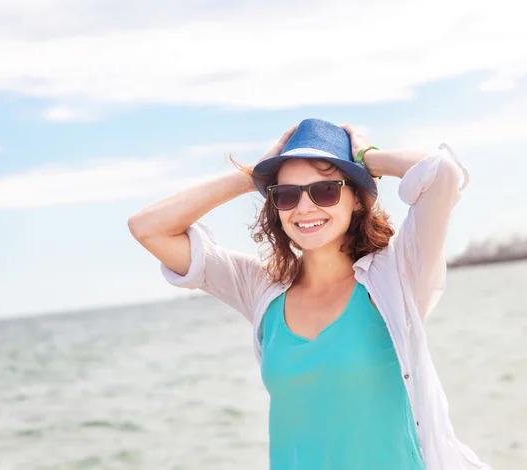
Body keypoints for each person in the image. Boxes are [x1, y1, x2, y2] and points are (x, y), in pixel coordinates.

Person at [128, 119, 492, 469]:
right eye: (286, 195)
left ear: (358, 199)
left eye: (326, 190)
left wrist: (366, 158)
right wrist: (252, 176)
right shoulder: (260, 289)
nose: (305, 208)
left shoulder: (397, 274)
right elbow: (148, 228)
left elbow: (442, 173)